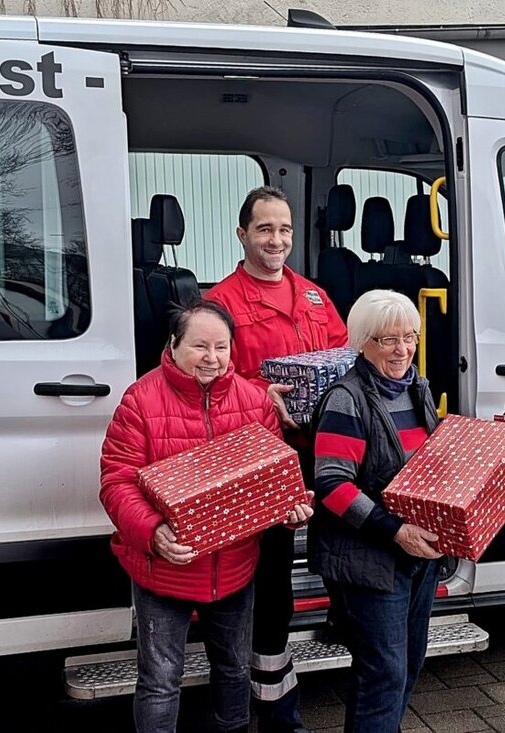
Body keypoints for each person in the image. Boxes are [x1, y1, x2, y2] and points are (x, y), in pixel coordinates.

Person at [99, 299, 313, 733]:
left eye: (222, 347)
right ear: (173, 344)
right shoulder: (140, 400)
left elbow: (269, 478)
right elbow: (116, 482)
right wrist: (153, 531)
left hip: (234, 567)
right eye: (200, 346)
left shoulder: (255, 402)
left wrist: (289, 510)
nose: (212, 358)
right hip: (164, 569)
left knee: (234, 669)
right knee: (160, 680)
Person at [205, 185, 347, 733]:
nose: (276, 240)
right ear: (242, 235)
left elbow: (342, 357)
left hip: (324, 450)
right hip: (263, 460)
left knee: (344, 544)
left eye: (284, 229)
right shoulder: (220, 303)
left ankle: (345, 619)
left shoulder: (313, 296)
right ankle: (276, 710)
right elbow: (209, 379)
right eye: (264, 229)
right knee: (273, 585)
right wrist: (262, 396)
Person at [308, 289, 442, 733]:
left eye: (409, 337)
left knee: (408, 664)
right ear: (362, 342)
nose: (402, 350)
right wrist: (394, 530)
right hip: (370, 557)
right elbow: (331, 485)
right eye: (387, 340)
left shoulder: (417, 388)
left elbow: (434, 465)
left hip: (417, 556)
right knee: (383, 673)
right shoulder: (347, 399)